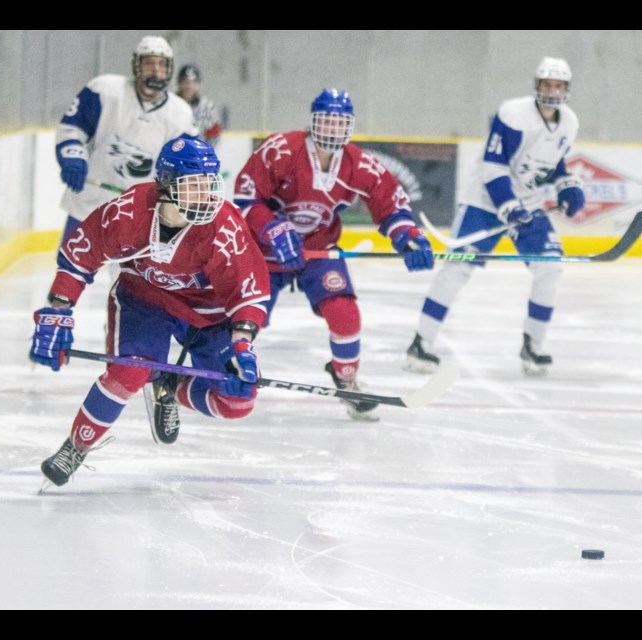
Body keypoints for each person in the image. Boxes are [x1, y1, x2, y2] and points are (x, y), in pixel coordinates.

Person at [32, 134, 270, 486]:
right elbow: (79, 256)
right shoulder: (127, 212)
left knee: (238, 402)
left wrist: (242, 347)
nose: (205, 194)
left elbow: (247, 294)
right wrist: (59, 309)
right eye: (193, 185)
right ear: (167, 186)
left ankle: (169, 386)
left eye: (209, 183)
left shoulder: (224, 226)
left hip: (210, 315)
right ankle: (75, 448)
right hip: (146, 299)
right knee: (130, 374)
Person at [233, 89, 435, 422]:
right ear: (313, 123)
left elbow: (389, 200)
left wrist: (407, 235)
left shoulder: (358, 163)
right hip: (265, 250)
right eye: (325, 122)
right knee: (245, 318)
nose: (331, 130)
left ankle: (346, 377)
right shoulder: (281, 149)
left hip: (319, 249)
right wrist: (271, 229)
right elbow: (245, 199)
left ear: (349, 127)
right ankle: (224, 364)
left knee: (345, 314)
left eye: (339, 123)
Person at [403, 57, 585, 377]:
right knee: (457, 268)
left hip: (528, 204)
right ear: (536, 86)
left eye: (559, 86)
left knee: (550, 269)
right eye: (546, 85)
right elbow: (493, 165)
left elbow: (553, 163)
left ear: (567, 89)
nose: (552, 92)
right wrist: (507, 205)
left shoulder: (569, 122)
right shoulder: (513, 114)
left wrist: (567, 185)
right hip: (485, 202)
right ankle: (421, 343)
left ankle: (534, 344)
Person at [55, 35, 194, 241]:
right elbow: (73, 128)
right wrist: (73, 156)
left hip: (138, 211)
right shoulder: (104, 90)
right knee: (71, 270)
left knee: (131, 274)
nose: (156, 70)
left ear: (169, 69)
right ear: (136, 65)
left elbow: (186, 165)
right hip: (89, 200)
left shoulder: (180, 114)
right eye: (148, 63)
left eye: (162, 64)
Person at [176, 64, 222, 144]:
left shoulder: (208, 107)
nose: (189, 86)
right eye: (185, 82)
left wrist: (205, 153)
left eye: (193, 82)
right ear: (179, 84)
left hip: (200, 153)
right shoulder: (171, 106)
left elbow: (214, 136)